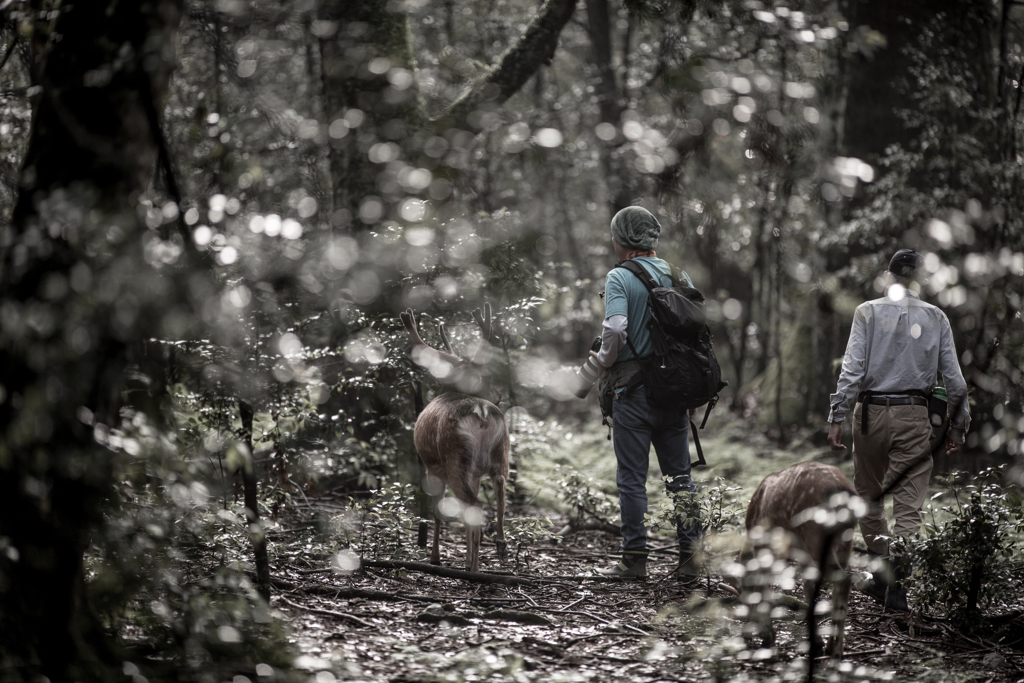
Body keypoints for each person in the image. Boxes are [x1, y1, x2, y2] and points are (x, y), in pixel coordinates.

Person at [827, 248, 970, 610]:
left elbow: (853, 370)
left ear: (888, 277)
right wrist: (958, 427)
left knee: (869, 498)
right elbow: (954, 380)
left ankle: (881, 574)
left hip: (869, 415)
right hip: (914, 415)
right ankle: (897, 588)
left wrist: (837, 416)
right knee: (909, 508)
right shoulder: (936, 317)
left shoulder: (867, 312)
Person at [588, 205, 701, 582]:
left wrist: (602, 361)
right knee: (680, 477)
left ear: (621, 239)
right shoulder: (676, 273)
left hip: (633, 393)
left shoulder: (619, 277)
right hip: (674, 393)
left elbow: (616, 330)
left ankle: (634, 560)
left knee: (632, 479)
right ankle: (691, 560)